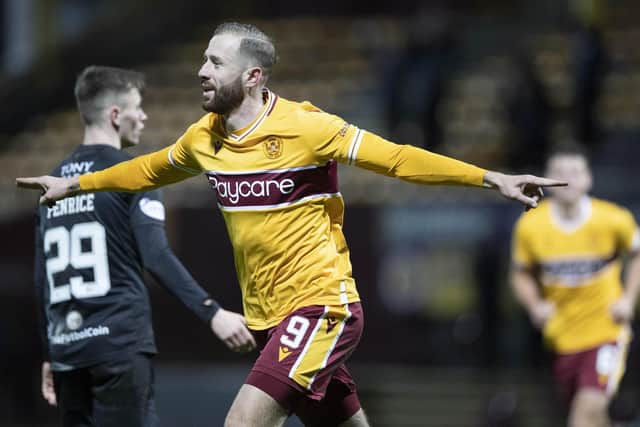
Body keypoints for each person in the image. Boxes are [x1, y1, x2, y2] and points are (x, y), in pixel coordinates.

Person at [18, 23, 565, 427]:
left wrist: (492, 178)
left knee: (242, 423)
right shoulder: (203, 139)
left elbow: (397, 158)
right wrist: (75, 185)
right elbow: (148, 168)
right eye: (203, 60)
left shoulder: (307, 127)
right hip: (269, 319)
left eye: (215, 62)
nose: (201, 71)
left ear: (252, 76)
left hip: (321, 306)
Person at [32, 65, 255, 427]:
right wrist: (212, 312)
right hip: (118, 346)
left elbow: (42, 278)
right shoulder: (134, 173)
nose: (144, 116)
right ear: (116, 114)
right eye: (138, 107)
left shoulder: (53, 183)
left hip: (67, 350)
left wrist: (48, 354)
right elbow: (155, 254)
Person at [510, 144, 640, 427]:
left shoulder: (613, 219)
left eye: (575, 172)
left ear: (588, 178)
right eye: (559, 173)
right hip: (563, 336)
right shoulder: (531, 225)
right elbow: (520, 274)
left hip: (607, 331)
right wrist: (535, 305)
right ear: (545, 178)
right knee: (593, 416)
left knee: (586, 412)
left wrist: (629, 299)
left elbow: (638, 254)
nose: (568, 180)